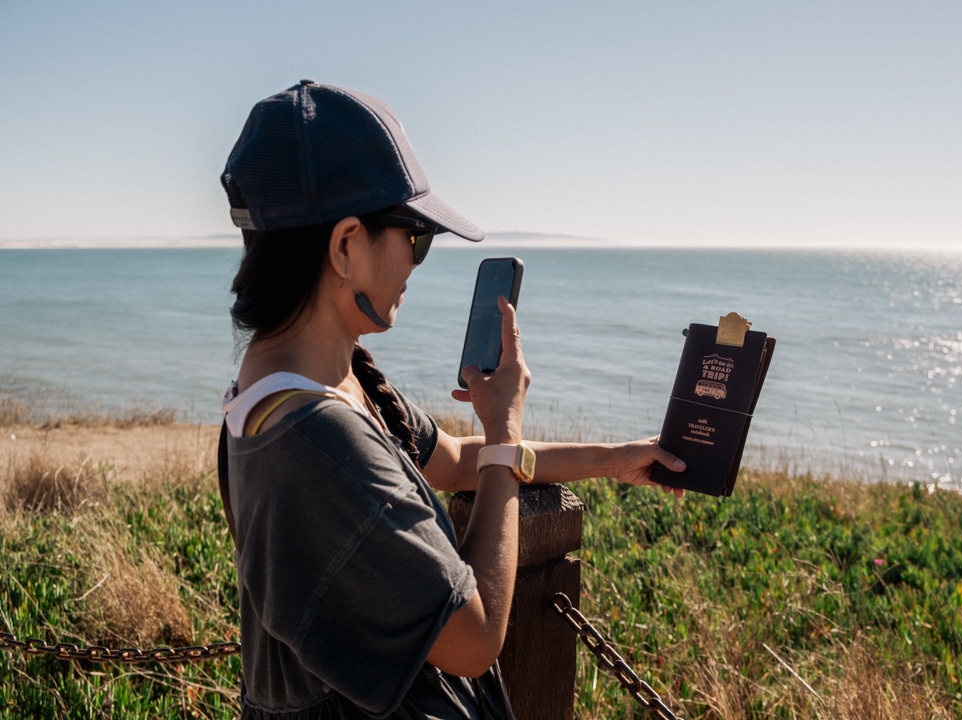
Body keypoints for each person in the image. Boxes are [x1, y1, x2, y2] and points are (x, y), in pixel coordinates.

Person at [217, 80, 686, 720]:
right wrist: (505, 426)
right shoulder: (318, 440)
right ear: (346, 245)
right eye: (416, 238)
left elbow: (462, 462)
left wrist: (619, 458)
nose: (417, 263)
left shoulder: (292, 388)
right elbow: (477, 634)